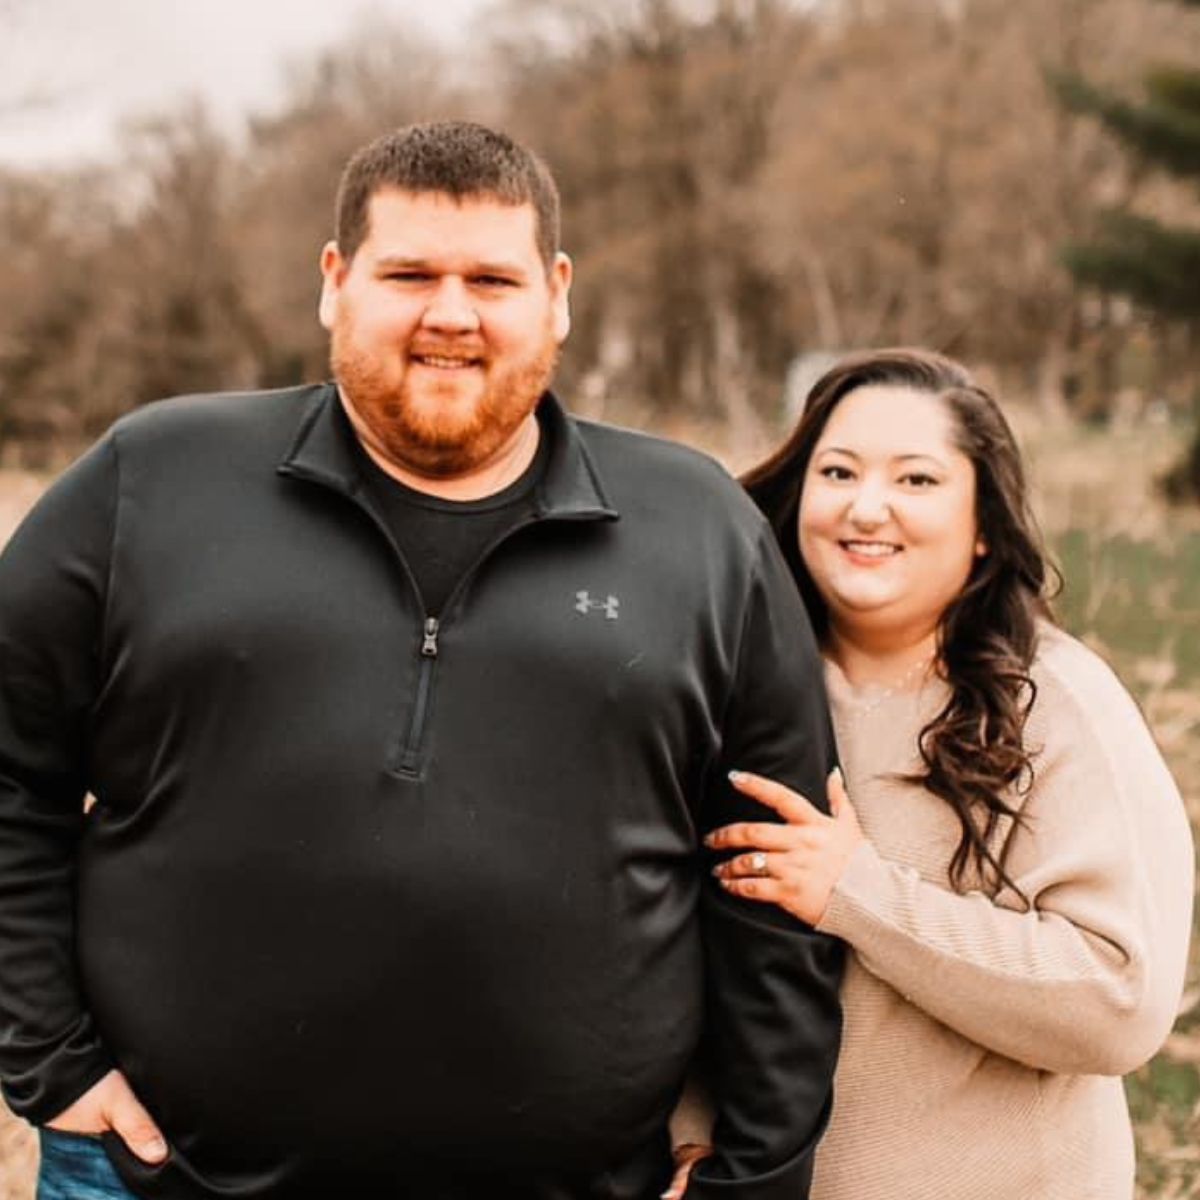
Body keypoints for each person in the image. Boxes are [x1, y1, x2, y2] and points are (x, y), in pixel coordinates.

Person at [0, 121, 844, 1200]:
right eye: (410, 273)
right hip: (162, 1178)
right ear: (335, 281)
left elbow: (770, 879)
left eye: (492, 276)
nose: (451, 312)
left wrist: (758, 1171)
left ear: (559, 294)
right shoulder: (151, 483)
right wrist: (50, 1062)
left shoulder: (701, 530)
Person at [670, 348, 1195, 1199]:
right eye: (837, 471)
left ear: (984, 523)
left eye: (916, 481)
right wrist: (694, 1130)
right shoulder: (736, 692)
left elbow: (1121, 1001)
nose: (866, 506)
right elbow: (681, 948)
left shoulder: (1056, 707)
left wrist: (860, 893)